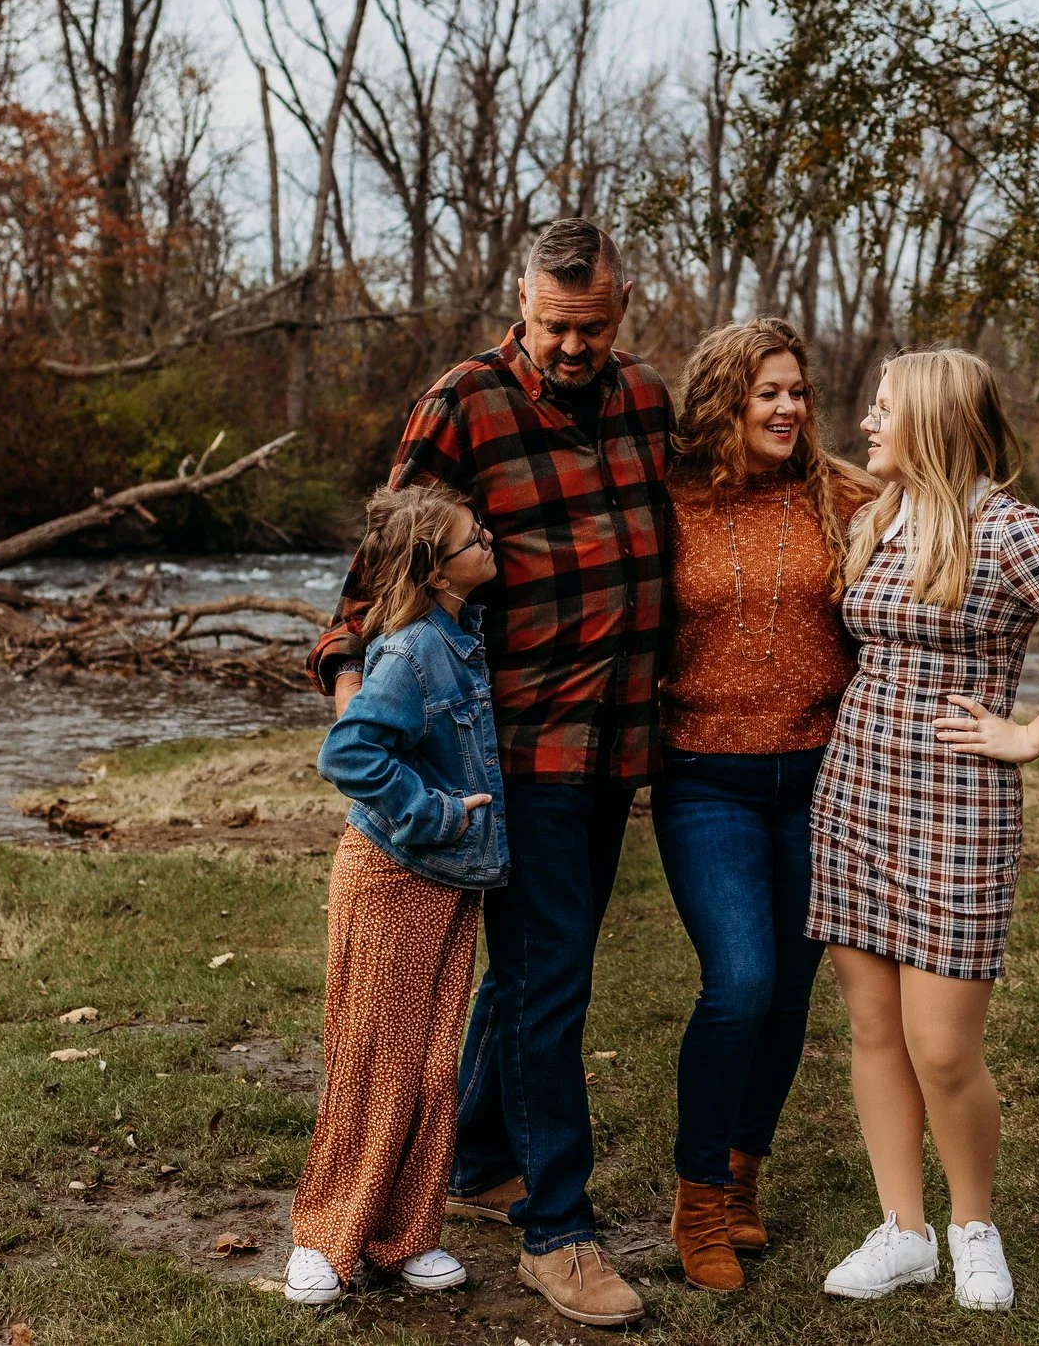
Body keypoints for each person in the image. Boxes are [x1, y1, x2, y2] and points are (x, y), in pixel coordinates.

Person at [309, 217, 669, 1329]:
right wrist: (357, 694)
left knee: (526, 977)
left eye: (592, 327)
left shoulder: (646, 400)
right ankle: (559, 1232)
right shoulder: (464, 400)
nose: (572, 346)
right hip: (518, 751)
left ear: (620, 309)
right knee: (550, 984)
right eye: (555, 326)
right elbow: (389, 556)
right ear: (522, 305)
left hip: (617, 746)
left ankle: (471, 1156)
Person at [809, 346, 1039, 1312]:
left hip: (958, 807)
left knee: (943, 1047)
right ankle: (903, 1232)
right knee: (875, 1031)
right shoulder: (879, 517)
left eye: (884, 409)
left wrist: (1033, 732)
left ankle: (973, 1229)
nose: (867, 423)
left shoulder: (1007, 530)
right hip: (856, 794)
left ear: (931, 418)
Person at [654, 319, 872, 1292]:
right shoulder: (668, 502)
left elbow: (945, 515)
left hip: (819, 779)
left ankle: (744, 1177)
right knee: (737, 980)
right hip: (704, 774)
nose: (786, 407)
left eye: (795, 390)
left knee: (788, 993)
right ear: (722, 402)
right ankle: (696, 1197)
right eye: (765, 393)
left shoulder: (838, 492)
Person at [285, 483, 509, 1306]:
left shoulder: (464, 632)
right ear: (437, 569)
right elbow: (348, 754)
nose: (488, 541)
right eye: (472, 538)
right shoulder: (415, 649)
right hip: (392, 876)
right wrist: (437, 813)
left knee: (427, 1069)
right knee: (372, 1062)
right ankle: (325, 1238)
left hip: (447, 885)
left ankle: (405, 1235)